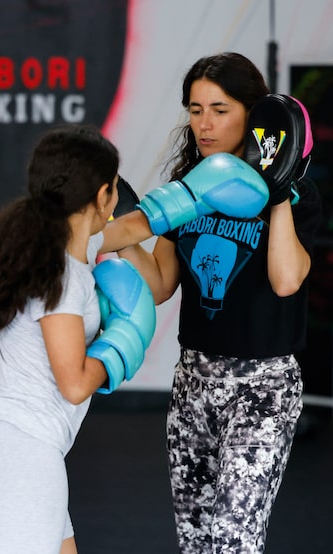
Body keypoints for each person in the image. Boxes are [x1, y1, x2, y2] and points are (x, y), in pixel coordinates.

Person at [117, 52, 322, 553]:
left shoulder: (297, 195)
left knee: (232, 541)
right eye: (194, 109)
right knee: (197, 542)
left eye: (220, 109)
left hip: (263, 390)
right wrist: (118, 231)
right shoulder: (186, 192)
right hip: (194, 384)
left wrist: (274, 191)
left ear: (254, 117)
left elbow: (286, 280)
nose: (204, 124)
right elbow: (163, 282)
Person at [0, 124, 160, 553]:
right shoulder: (65, 277)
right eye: (117, 188)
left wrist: (193, 200)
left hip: (5, 437)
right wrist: (124, 338)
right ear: (103, 196)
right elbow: (75, 383)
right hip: (21, 448)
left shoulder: (66, 247)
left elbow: (129, 229)